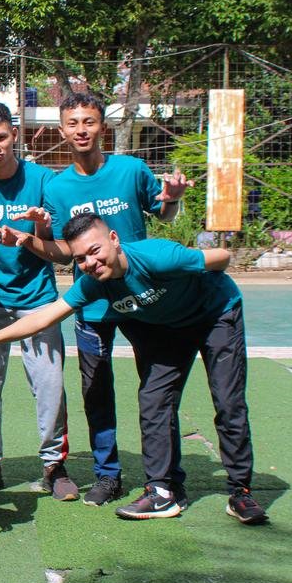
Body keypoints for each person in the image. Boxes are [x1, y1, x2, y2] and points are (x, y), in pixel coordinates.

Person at [0, 213, 268, 524]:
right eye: (80, 259)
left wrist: (204, 281)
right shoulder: (93, 284)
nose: (90, 263)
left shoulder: (159, 257)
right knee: (154, 401)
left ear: (114, 239)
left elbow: (222, 256)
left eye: (94, 251)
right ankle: (162, 491)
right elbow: (44, 318)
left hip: (217, 314)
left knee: (227, 401)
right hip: (172, 327)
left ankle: (240, 492)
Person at [40, 92, 191, 506]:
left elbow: (163, 213)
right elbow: (61, 251)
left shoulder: (131, 170)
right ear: (62, 130)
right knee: (96, 391)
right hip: (93, 307)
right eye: (73, 123)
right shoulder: (56, 188)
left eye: (89, 121)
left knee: (157, 390)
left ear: (102, 127)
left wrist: (173, 197)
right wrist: (31, 238)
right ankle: (108, 475)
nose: (81, 130)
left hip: (144, 300)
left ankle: (168, 477)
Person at [0, 102, 77, 500]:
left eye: (1, 137)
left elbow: (61, 250)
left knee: (50, 385)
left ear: (15, 135)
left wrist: (37, 231)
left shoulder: (44, 180)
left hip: (38, 298)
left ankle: (54, 465)